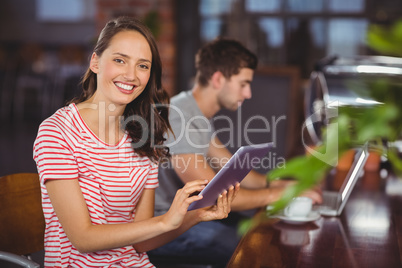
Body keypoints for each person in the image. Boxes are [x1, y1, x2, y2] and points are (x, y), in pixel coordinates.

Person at [33, 17, 239, 268]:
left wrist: (195, 216)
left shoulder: (143, 135)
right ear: (95, 62)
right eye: (119, 60)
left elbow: (142, 243)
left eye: (143, 66)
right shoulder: (57, 132)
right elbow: (82, 238)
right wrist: (165, 220)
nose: (131, 75)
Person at [148, 38, 322, 267]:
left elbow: (233, 170)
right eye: (243, 83)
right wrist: (279, 195)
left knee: (259, 231)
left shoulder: (195, 112)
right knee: (252, 247)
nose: (248, 93)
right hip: (163, 227)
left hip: (190, 218)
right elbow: (212, 194)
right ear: (218, 79)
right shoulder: (178, 115)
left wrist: (281, 185)